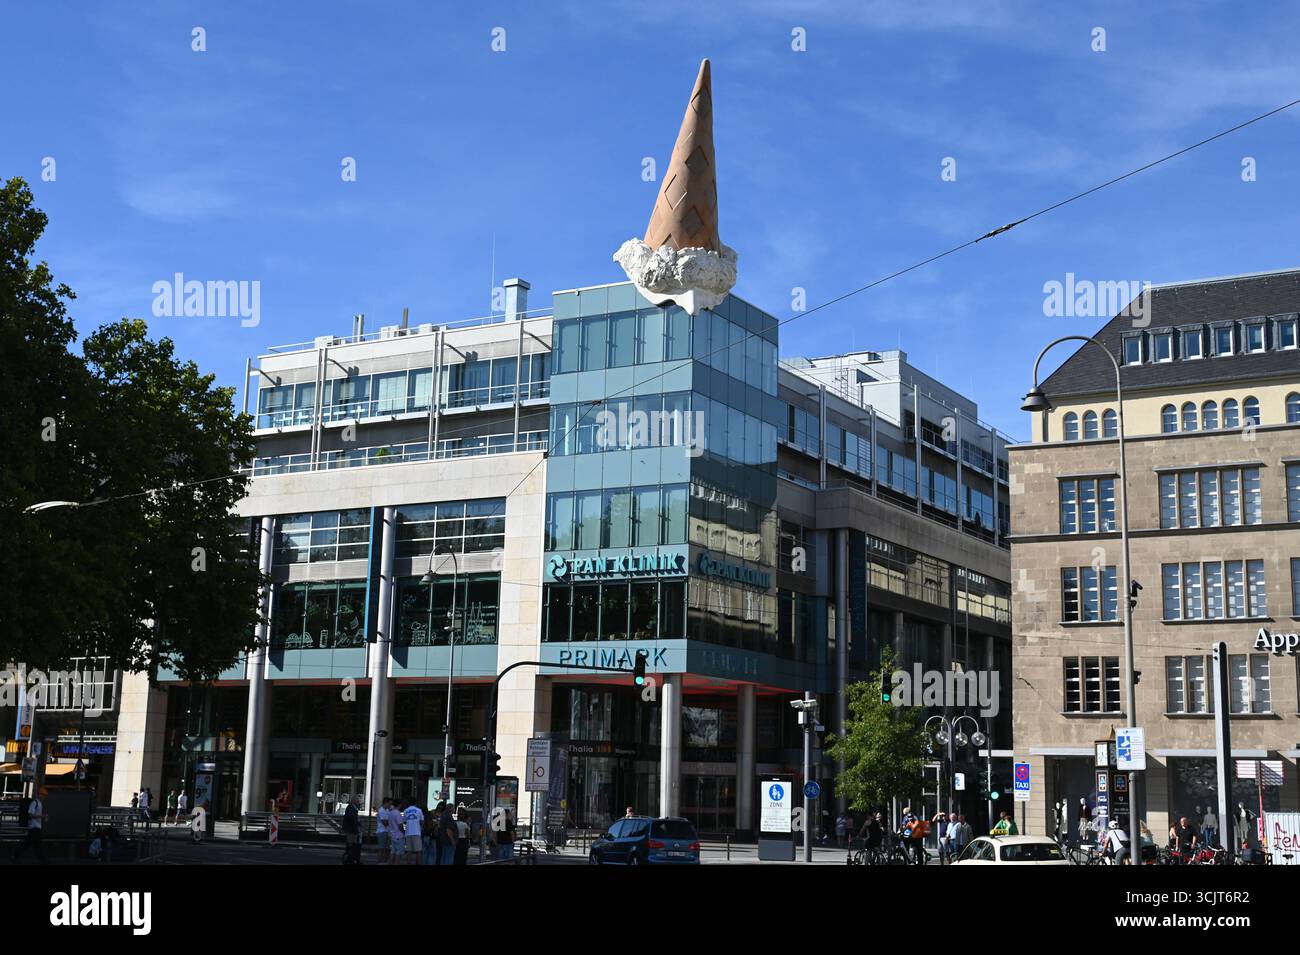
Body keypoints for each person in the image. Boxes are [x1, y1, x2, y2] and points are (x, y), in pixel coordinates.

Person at [13, 787, 48, 862]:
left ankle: (15, 856)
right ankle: (43, 860)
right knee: (38, 845)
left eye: (45, 795)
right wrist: (42, 816)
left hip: (35, 828)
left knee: (26, 844)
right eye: (43, 795)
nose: (44, 797)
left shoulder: (39, 803)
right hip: (34, 827)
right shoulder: (34, 803)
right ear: (39, 795)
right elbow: (30, 815)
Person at [401, 799, 424, 865]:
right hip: (417, 832)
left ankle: (408, 863)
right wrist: (420, 828)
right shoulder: (419, 810)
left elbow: (404, 821)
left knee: (409, 851)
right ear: (415, 803)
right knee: (418, 850)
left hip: (408, 832)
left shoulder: (405, 810)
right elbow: (422, 821)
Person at [342, 795, 362, 864]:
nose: (358, 802)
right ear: (353, 801)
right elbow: (351, 818)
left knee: (352, 844)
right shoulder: (351, 807)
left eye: (358, 800)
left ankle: (351, 859)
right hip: (351, 829)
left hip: (352, 829)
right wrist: (357, 823)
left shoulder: (353, 807)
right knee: (351, 844)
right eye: (357, 800)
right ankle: (349, 859)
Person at [439, 801, 458, 866]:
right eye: (453, 808)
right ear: (450, 809)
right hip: (448, 841)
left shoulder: (443, 816)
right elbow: (449, 830)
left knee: (444, 857)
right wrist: (452, 840)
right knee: (449, 858)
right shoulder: (449, 817)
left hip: (443, 839)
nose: (454, 809)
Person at [375, 797, 393, 864]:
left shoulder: (387, 810)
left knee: (387, 849)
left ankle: (384, 861)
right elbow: (385, 823)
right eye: (389, 804)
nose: (390, 805)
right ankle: (380, 862)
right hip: (382, 831)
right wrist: (391, 822)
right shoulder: (381, 810)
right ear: (386, 802)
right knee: (381, 848)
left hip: (387, 831)